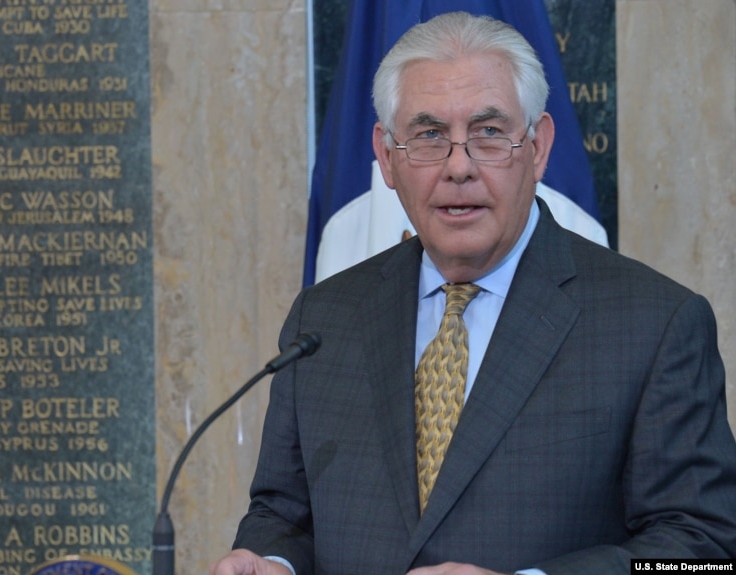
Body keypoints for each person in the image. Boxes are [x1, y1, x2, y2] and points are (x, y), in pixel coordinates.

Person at [210, 11, 736, 575]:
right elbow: (282, 514)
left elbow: (703, 551)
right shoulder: (324, 318)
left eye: (488, 134)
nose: (459, 167)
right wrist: (271, 561)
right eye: (429, 135)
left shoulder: (655, 323)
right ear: (387, 158)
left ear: (538, 147)